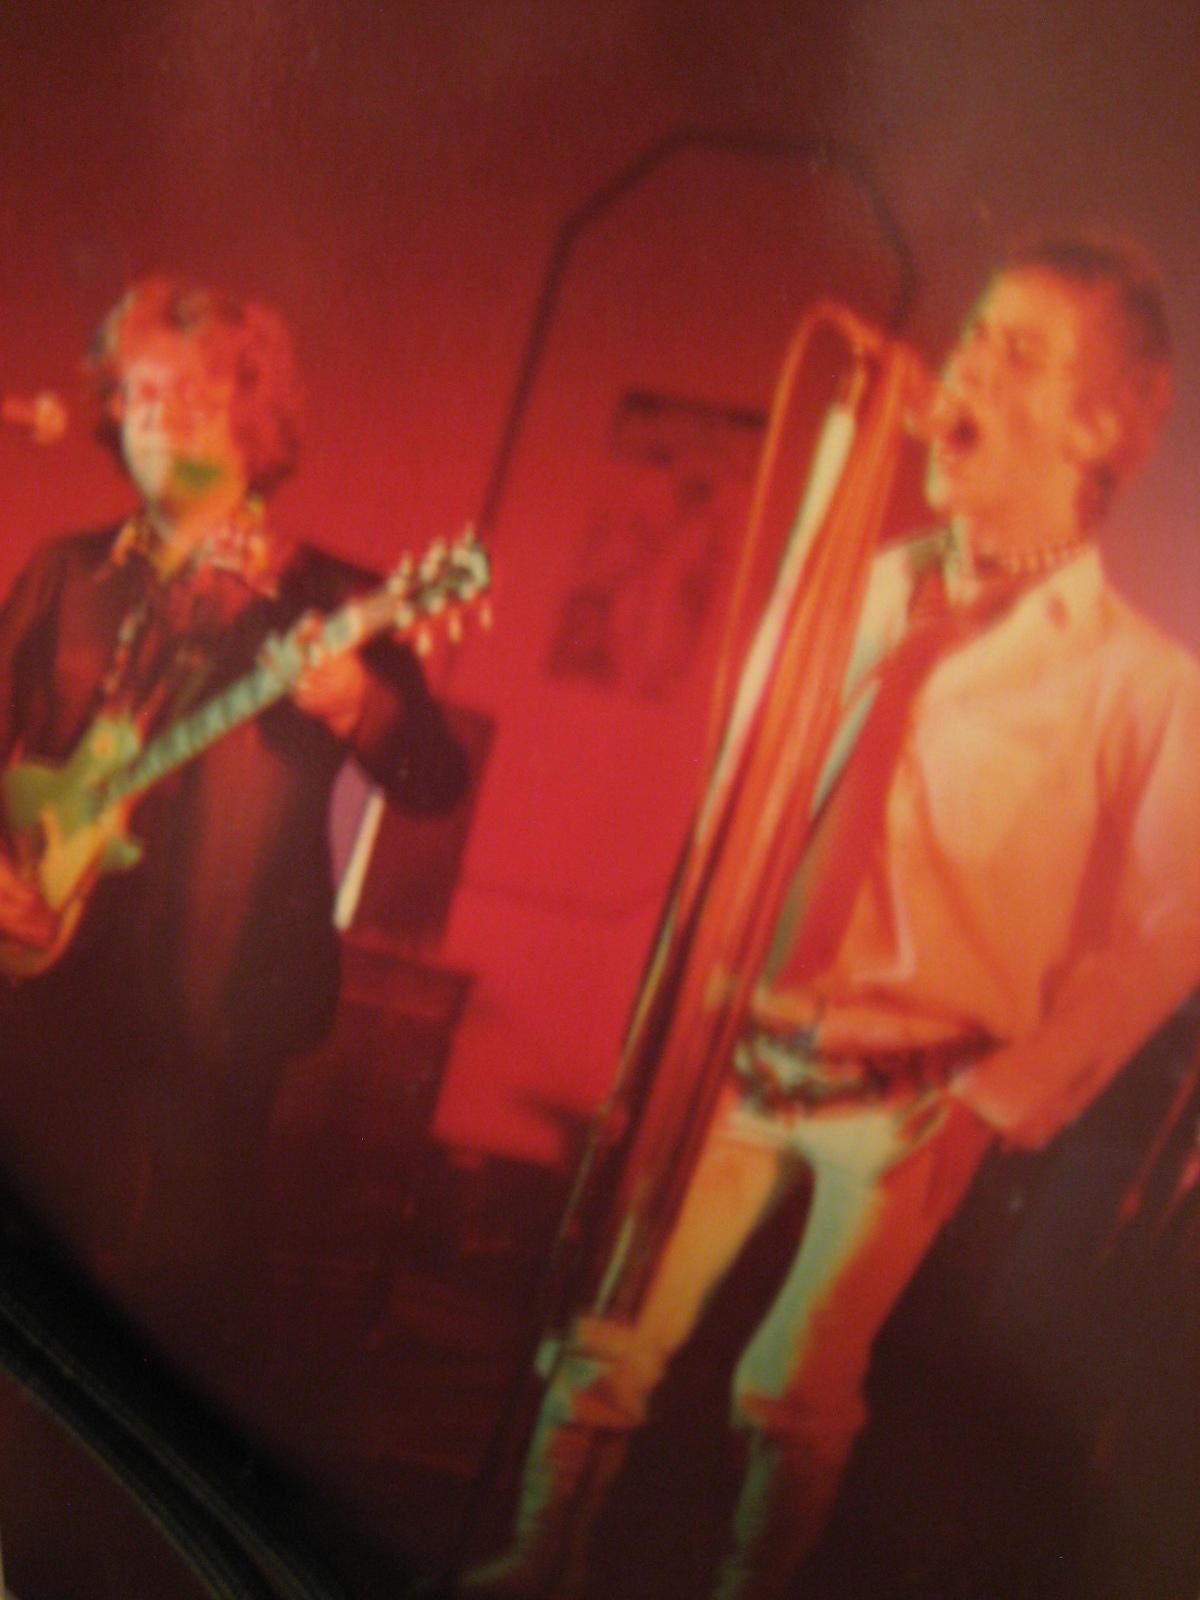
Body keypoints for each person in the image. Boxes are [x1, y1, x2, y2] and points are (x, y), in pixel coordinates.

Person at [463, 237, 1200, 1599]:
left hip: (916, 1090)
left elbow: (1175, 925)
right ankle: (537, 1563)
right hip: (746, 1048)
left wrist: (1007, 1096)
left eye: (1020, 353)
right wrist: (835, 482)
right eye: (975, 334)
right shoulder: (863, 588)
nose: (970, 365)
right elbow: (755, 774)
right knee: (616, 1325)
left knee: (795, 1376)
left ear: (1099, 429)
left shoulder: (1145, 684)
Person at [0, 279, 468, 1343]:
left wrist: (353, 701)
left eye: (195, 395)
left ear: (255, 430)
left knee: (175, 1315)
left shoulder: (334, 601)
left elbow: (436, 782)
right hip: (37, 993)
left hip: (216, 1017)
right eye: (142, 392)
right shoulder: (65, 573)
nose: (159, 416)